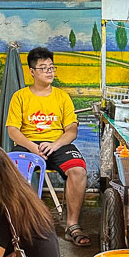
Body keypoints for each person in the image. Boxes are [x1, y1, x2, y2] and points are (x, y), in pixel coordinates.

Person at [6, 45, 89, 246]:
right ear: (32, 72)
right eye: (43, 68)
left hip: (57, 144)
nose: (49, 72)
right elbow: (13, 130)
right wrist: (32, 147)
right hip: (28, 144)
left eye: (51, 67)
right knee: (12, 171)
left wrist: (54, 145)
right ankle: (20, 225)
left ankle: (72, 225)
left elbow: (72, 130)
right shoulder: (20, 97)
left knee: (78, 170)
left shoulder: (62, 97)